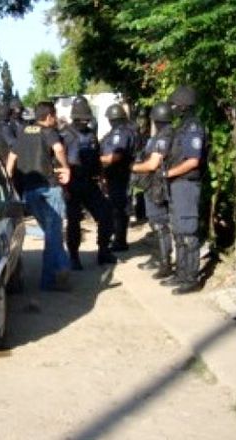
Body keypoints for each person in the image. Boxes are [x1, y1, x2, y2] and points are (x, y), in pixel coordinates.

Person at [6, 101, 71, 291]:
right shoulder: (49, 132)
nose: (55, 119)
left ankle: (55, 273)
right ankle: (57, 272)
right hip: (49, 187)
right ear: (49, 116)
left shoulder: (23, 131)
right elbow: (59, 149)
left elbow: (12, 157)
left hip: (30, 190)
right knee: (53, 232)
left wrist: (8, 180)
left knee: (51, 232)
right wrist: (66, 167)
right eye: (54, 116)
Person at [160, 85, 207, 294]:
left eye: (174, 105)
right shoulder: (182, 127)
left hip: (187, 184)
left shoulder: (193, 127)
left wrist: (168, 173)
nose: (172, 108)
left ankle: (191, 278)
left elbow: (193, 161)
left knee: (188, 232)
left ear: (183, 106)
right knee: (179, 232)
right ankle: (181, 273)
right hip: (177, 185)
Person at [60, 99, 117, 270]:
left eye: (87, 119)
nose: (85, 122)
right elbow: (58, 162)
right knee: (74, 221)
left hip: (90, 183)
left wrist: (103, 179)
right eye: (82, 119)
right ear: (75, 118)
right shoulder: (65, 135)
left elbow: (97, 160)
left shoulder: (91, 135)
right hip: (71, 184)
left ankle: (103, 251)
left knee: (106, 214)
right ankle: (74, 256)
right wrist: (63, 187)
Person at [131, 102, 175, 279]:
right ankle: (158, 259)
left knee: (159, 224)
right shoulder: (164, 135)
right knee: (155, 222)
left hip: (158, 185)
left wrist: (133, 167)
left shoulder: (164, 137)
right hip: (154, 184)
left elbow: (152, 164)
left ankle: (165, 263)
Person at [99, 104, 135, 252]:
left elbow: (116, 156)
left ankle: (120, 241)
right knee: (115, 208)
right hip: (113, 175)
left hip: (120, 176)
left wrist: (97, 160)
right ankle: (118, 239)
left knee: (119, 209)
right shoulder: (116, 133)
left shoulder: (121, 133)